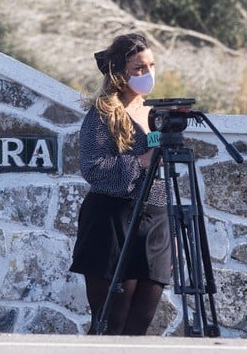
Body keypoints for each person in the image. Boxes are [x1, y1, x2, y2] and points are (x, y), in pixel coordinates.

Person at [69, 32, 171, 335]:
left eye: (151, 65)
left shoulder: (157, 116)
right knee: (112, 323)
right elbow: (93, 169)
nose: (148, 73)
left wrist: (173, 230)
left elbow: (166, 175)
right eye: (139, 68)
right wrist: (140, 161)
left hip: (154, 222)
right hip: (113, 222)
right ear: (118, 73)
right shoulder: (102, 115)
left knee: (140, 322)